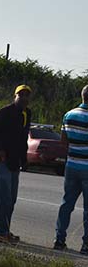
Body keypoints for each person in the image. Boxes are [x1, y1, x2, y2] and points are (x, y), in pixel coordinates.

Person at [0, 84, 32, 244]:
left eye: (27, 95)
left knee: (11, 199)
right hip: (3, 160)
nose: (24, 98)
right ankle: (0, 232)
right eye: (21, 95)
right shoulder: (6, 111)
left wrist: (24, 160)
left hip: (15, 161)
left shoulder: (27, 113)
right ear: (15, 96)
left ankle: (6, 230)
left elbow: (23, 138)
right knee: (2, 197)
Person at [54, 85, 88, 253]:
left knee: (67, 203)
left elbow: (63, 141)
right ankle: (86, 244)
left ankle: (59, 239)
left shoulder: (69, 114)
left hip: (71, 165)